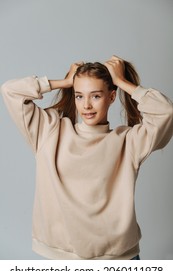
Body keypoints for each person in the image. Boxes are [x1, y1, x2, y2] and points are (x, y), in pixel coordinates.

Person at [1, 55, 173, 260]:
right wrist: (63, 82)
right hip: (62, 259)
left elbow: (166, 111)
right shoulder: (49, 131)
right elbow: (10, 90)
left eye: (96, 96)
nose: (87, 105)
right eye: (79, 96)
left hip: (118, 259)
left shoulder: (129, 141)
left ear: (111, 97)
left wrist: (122, 82)